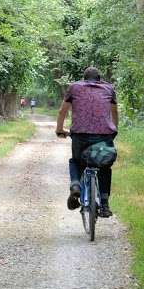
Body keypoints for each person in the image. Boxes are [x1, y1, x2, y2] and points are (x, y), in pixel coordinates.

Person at [55, 67, 118, 217]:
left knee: (76, 162)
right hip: (104, 135)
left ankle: (76, 185)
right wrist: (114, 129)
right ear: (99, 78)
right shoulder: (109, 89)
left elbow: (62, 111)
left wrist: (60, 129)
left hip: (80, 135)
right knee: (104, 166)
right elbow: (114, 111)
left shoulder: (74, 87)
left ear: (84, 79)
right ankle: (104, 204)